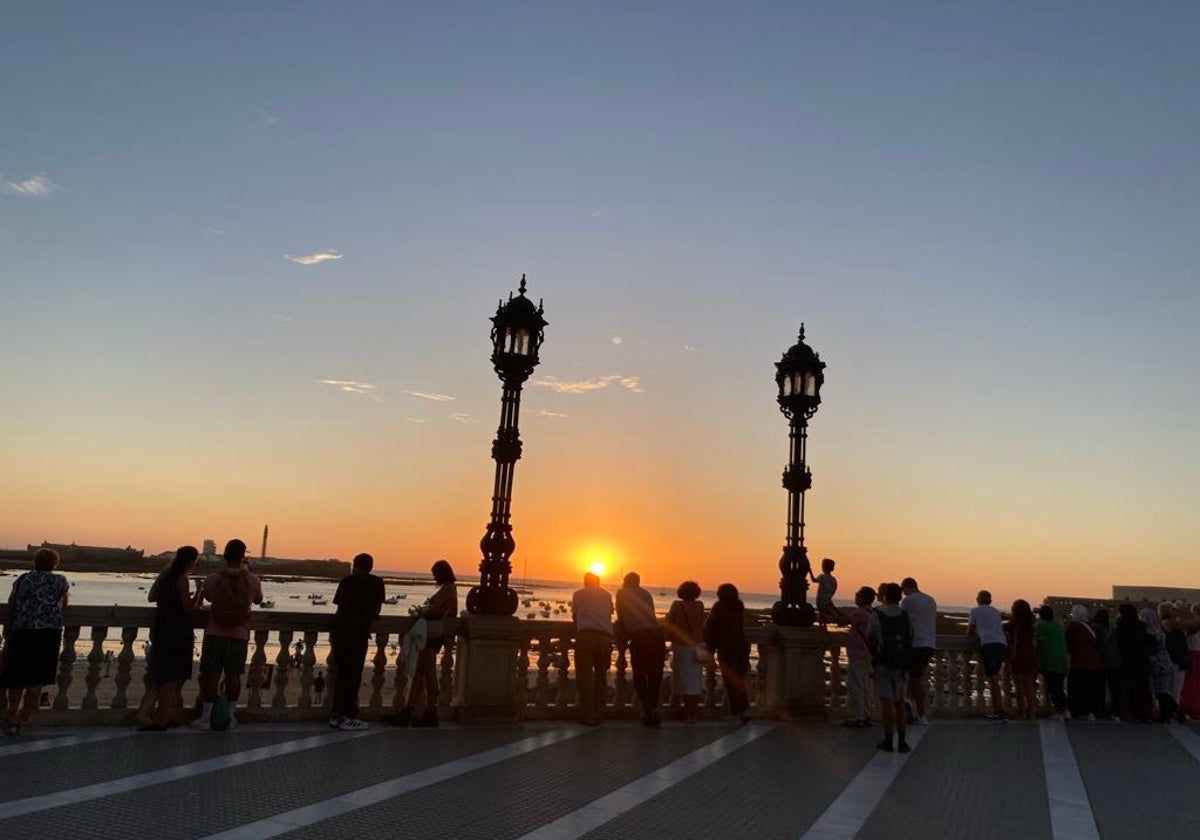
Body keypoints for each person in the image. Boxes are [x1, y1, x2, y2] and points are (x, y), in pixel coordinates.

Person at [193, 539, 263, 731]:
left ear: (224, 555)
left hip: (215, 632)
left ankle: (206, 718)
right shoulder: (252, 579)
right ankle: (231, 717)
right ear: (243, 556)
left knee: (211, 676)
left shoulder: (213, 579)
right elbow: (258, 599)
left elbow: (207, 598)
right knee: (234, 676)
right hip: (239, 634)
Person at [1, 548, 69, 735]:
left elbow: (12, 603)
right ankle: (24, 719)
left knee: (16, 677)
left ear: (35, 562)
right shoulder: (60, 580)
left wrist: (8, 629)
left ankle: (13, 717)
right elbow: (64, 603)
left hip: (23, 631)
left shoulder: (24, 579)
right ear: (54, 564)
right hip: (48, 634)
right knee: (36, 680)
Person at [141, 545, 203, 731]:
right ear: (191, 561)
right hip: (178, 630)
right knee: (171, 677)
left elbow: (151, 597)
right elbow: (189, 608)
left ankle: (151, 714)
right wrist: (199, 590)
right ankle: (160, 717)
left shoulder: (164, 575)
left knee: (161, 675)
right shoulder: (182, 579)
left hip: (161, 627)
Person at [396, 559, 457, 728]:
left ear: (441, 573)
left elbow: (436, 611)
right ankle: (411, 710)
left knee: (427, 674)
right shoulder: (450, 588)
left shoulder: (448, 588)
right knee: (420, 675)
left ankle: (430, 712)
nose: (433, 577)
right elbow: (451, 612)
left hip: (431, 637)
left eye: (435, 574)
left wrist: (419, 611)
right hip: (434, 636)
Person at [328, 552, 385, 731]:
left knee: (342, 674)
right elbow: (377, 609)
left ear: (356, 565)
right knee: (352, 675)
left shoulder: (346, 581)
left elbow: (339, 604)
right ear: (371, 566)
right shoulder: (376, 583)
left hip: (340, 631)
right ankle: (347, 715)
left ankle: (338, 714)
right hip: (359, 633)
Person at [616, 572, 666, 727]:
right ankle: (652, 710)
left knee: (639, 676)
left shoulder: (621, 593)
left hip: (640, 637)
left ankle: (648, 710)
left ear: (626, 582)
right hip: (657, 636)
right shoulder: (646, 593)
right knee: (654, 677)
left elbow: (620, 616)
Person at [869, 582, 912, 753]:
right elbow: (911, 636)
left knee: (887, 703)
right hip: (901, 665)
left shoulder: (877, 614)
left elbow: (870, 636)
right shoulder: (905, 615)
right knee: (900, 702)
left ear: (885, 596)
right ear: (900, 597)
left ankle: (888, 740)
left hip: (883, 663)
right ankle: (902, 742)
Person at [704, 583, 751, 723]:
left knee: (731, 681)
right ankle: (744, 710)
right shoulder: (739, 606)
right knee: (739, 679)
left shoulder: (719, 607)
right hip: (741, 646)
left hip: (726, 648)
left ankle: (738, 712)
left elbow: (710, 626)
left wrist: (710, 647)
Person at [571, 572, 614, 726]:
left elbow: (575, 616)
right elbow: (610, 613)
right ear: (599, 582)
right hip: (605, 638)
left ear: (584, 582)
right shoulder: (607, 595)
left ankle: (587, 714)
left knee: (585, 677)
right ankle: (600, 713)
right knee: (601, 676)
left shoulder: (578, 594)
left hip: (586, 636)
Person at [665, 581, 705, 723]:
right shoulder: (700, 605)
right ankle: (691, 713)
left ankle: (679, 710)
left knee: (680, 680)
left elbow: (669, 622)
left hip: (681, 647)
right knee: (694, 682)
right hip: (697, 646)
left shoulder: (677, 605)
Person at [900, 577, 936, 725]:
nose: (903, 594)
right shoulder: (930, 599)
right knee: (914, 678)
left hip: (915, 644)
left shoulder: (908, 601)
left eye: (903, 591)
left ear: (907, 587)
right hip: (929, 644)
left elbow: (902, 621)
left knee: (915, 679)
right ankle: (912, 709)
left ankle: (921, 714)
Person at [968, 590, 1007, 720]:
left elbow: (970, 630)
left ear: (978, 599)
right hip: (1001, 644)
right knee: (995, 676)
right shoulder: (996, 612)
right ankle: (998, 708)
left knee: (992, 678)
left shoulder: (975, 611)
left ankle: (998, 709)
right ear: (990, 600)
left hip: (988, 644)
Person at [842, 585, 875, 728]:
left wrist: (828, 607)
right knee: (866, 685)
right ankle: (866, 714)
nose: (855, 596)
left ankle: (858, 716)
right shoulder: (872, 613)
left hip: (858, 653)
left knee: (855, 684)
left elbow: (842, 621)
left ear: (862, 598)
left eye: (857, 594)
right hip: (868, 654)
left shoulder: (860, 613)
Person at [1139, 606, 1178, 723]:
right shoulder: (1160, 631)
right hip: (1165, 662)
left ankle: (1171, 711)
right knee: (1163, 690)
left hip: (1156, 662)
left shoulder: (1148, 632)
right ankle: (1169, 713)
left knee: (1157, 691)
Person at [1064, 604, 1103, 721]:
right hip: (1094, 662)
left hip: (1078, 661)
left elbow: (1068, 643)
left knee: (1075, 687)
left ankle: (1075, 710)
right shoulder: (1092, 626)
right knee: (1089, 688)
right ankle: (1089, 711)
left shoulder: (1073, 627)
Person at [1115, 603, 1153, 722]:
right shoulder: (1141, 626)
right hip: (1142, 661)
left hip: (1128, 661)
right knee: (1143, 688)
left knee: (1129, 688)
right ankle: (1144, 713)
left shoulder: (1122, 626)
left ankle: (1131, 713)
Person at [1005, 599, 1037, 720]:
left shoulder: (1012, 625)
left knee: (1019, 686)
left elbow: (1000, 630)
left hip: (1018, 656)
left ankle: (1021, 710)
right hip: (1031, 656)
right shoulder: (1032, 625)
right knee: (1029, 686)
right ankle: (1031, 712)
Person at [1035, 605, 1069, 720]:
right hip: (1062, 660)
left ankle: (1061, 710)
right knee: (1058, 686)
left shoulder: (1041, 626)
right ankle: (1064, 709)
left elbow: (1037, 642)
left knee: (1053, 687)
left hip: (1050, 661)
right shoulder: (1058, 625)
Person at [1092, 608, 1122, 719]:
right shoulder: (1112, 628)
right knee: (1114, 687)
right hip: (1115, 661)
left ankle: (1101, 709)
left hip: (1103, 661)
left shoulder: (1097, 628)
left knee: (1100, 687)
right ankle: (1116, 710)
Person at [811, 558, 844, 630]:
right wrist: (830, 596)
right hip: (828, 598)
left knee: (822, 612)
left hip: (821, 598)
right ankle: (838, 618)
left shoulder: (822, 576)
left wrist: (810, 571)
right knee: (827, 611)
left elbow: (813, 580)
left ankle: (823, 626)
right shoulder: (833, 579)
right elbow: (834, 588)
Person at [1182, 604, 1200, 716]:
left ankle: (1190, 706)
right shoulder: (1193, 624)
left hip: (1193, 652)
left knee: (1190, 683)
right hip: (1194, 652)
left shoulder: (1191, 624)